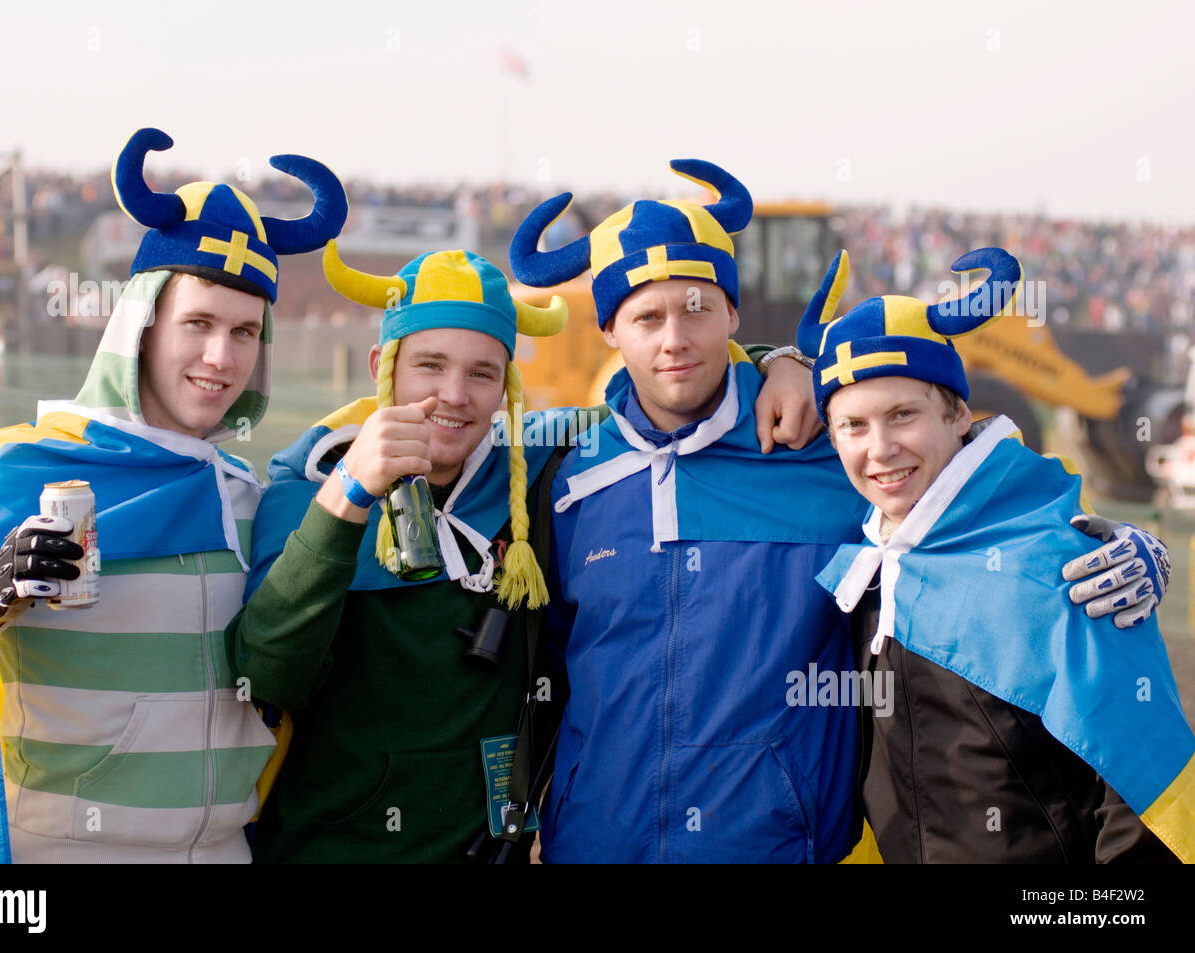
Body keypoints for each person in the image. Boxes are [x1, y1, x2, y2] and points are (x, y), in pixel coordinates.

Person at [510, 162, 1169, 863]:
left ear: (732, 313)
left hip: (774, 849)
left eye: (698, 308)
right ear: (609, 326)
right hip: (594, 844)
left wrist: (1110, 539)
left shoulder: (819, 444)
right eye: (647, 315)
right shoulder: (564, 474)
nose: (674, 338)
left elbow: (967, 494)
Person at [226, 241, 815, 863]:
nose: (454, 395)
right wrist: (346, 502)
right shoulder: (308, 489)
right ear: (383, 363)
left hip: (489, 851)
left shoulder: (537, 466)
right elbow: (265, 678)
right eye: (430, 365)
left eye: (482, 373)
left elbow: (665, 395)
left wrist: (777, 362)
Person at [0, 127, 346, 863]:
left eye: (243, 331)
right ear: (140, 327)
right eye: (196, 323)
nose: (219, 357)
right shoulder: (19, 468)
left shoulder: (248, 499)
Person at [805, 247, 1192, 862]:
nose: (879, 449)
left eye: (902, 415)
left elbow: (1155, 811)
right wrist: (777, 363)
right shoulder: (863, 573)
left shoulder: (1073, 569)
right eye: (852, 425)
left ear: (960, 412)